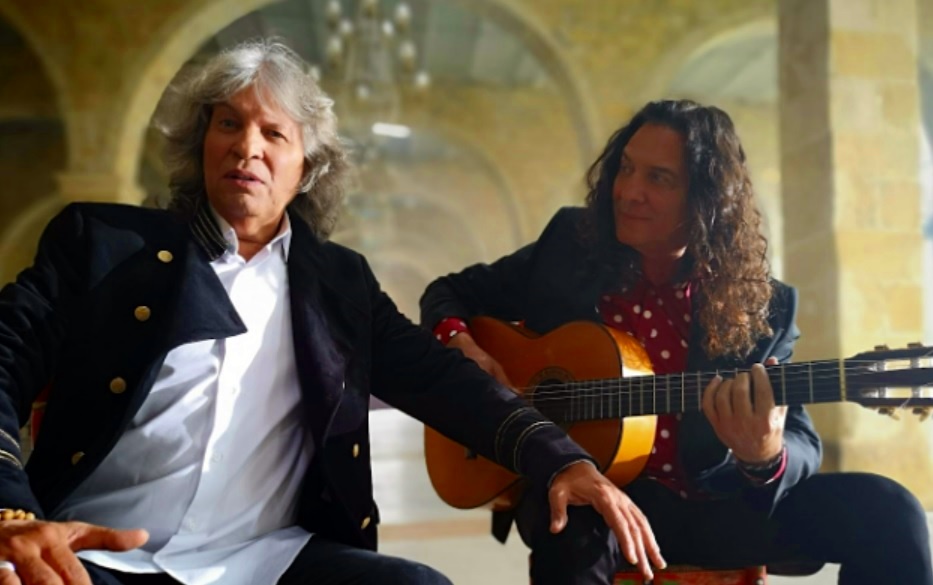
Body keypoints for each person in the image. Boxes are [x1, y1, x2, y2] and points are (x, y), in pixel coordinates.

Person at [0, 40, 665, 585]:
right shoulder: (104, 245)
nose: (246, 147)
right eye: (227, 124)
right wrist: (12, 514)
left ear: (307, 168)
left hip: (266, 561)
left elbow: (443, 380)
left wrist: (560, 459)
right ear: (201, 143)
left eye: (273, 133)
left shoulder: (339, 284)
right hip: (93, 556)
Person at [420, 99, 933, 585]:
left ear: (706, 202)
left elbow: (801, 440)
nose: (628, 191)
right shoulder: (569, 246)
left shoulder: (763, 304)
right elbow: (447, 294)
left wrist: (763, 456)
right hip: (598, 500)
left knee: (890, 511)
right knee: (570, 523)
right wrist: (464, 347)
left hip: (716, 506)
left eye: (658, 178)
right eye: (626, 168)